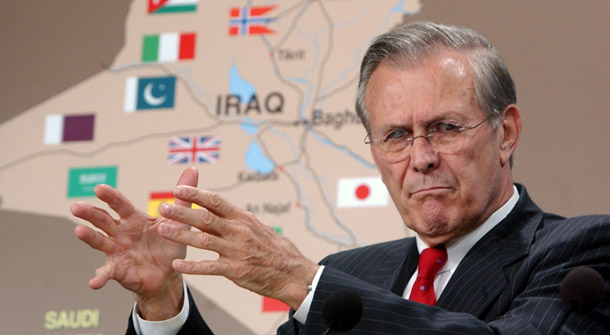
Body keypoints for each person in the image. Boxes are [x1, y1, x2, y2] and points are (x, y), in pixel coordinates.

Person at [72, 21, 610, 334]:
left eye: (444, 128)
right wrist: (164, 305)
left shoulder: (580, 253)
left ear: (506, 132)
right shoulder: (353, 273)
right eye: (396, 136)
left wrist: (303, 283)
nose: (419, 158)